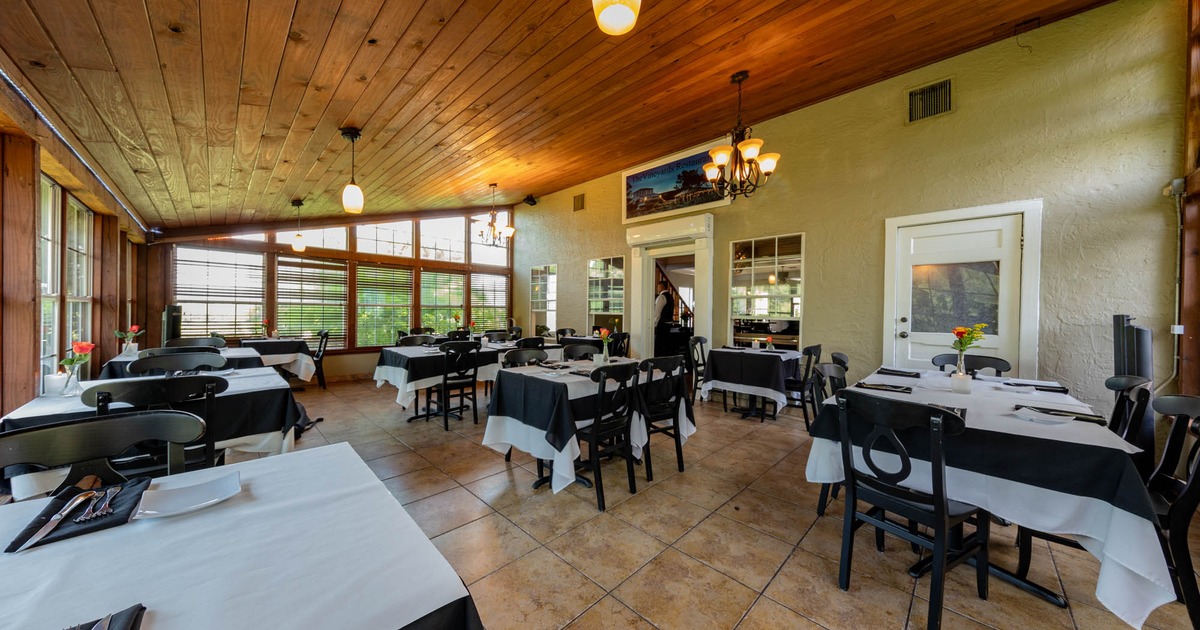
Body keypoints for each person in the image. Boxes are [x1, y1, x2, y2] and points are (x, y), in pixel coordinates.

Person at [653, 281, 674, 356]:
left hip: (662, 325)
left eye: (658, 287)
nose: (657, 288)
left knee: (659, 346)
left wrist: (654, 324)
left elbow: (657, 312)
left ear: (661, 287)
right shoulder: (670, 297)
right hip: (669, 324)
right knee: (665, 345)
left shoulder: (661, 297)